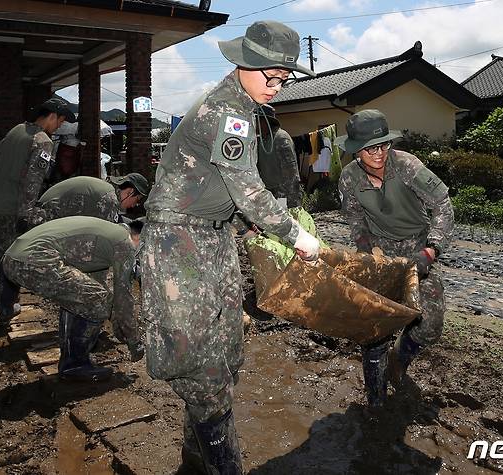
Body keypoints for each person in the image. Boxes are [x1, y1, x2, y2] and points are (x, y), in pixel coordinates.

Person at [141, 20, 319, 474]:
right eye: (271, 76)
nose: (277, 86)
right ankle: (222, 463)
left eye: (284, 79)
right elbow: (248, 190)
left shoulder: (245, 107)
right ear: (244, 63)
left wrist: (249, 228)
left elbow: (229, 191)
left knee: (227, 348)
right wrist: (297, 236)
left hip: (213, 234)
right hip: (179, 238)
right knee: (197, 355)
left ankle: (194, 460)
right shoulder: (228, 110)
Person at [336, 109, 454, 407]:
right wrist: (365, 250)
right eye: (370, 148)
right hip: (380, 255)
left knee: (430, 326)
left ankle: (399, 358)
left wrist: (432, 248)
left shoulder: (407, 166)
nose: (379, 153)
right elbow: (355, 219)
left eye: (383, 145)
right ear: (356, 150)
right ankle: (375, 399)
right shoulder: (349, 178)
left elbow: (442, 204)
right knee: (375, 330)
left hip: (417, 252)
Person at [1, 216, 144, 381]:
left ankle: (72, 359)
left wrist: (118, 324)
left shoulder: (106, 237)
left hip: (13, 257)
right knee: (98, 301)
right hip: (33, 260)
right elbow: (123, 297)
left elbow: (100, 288)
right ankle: (75, 364)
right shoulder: (123, 244)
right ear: (138, 238)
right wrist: (134, 340)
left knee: (83, 297)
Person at [0, 97, 76, 320]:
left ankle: (3, 302)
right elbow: (32, 182)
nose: (59, 127)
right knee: (12, 257)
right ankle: (6, 305)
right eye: (60, 121)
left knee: (3, 253)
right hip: (12, 208)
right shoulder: (42, 141)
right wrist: (26, 215)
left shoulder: (16, 130)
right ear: (51, 116)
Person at [37, 173, 149, 223]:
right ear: (130, 192)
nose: (135, 205)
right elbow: (105, 232)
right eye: (137, 200)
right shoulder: (109, 199)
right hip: (43, 220)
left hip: (42, 213)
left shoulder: (108, 188)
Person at [255, 104, 303, 208]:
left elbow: (291, 173)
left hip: (283, 194)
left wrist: (284, 200)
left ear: (266, 121)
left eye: (257, 120)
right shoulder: (262, 140)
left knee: (285, 222)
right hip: (269, 193)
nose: (254, 124)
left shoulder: (280, 138)